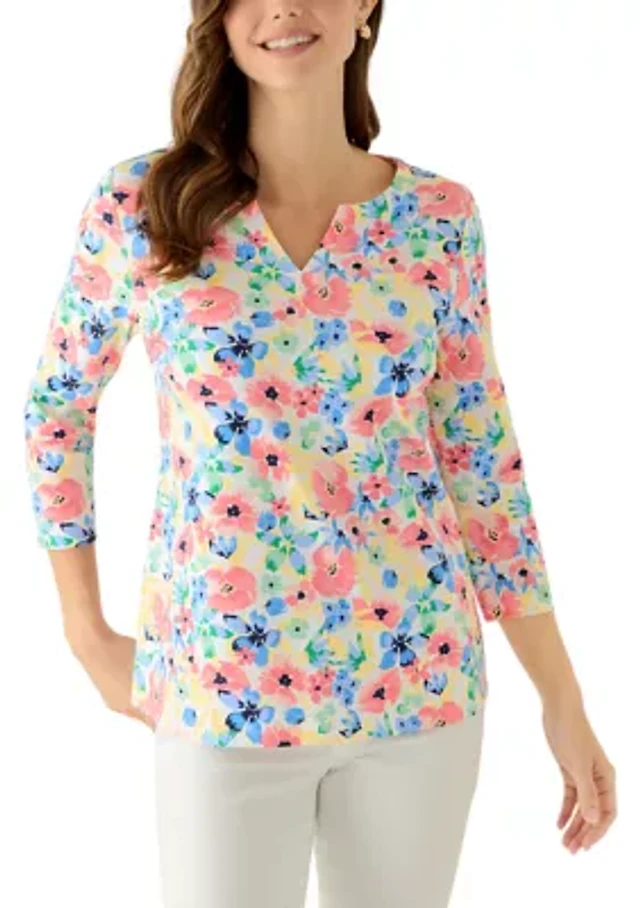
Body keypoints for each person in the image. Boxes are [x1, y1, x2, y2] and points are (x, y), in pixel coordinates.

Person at [23, 1, 617, 906]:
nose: (284, 7)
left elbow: (482, 461)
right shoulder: (141, 205)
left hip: (418, 687)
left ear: (366, 5)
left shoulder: (438, 220)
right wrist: (83, 630)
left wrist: (562, 698)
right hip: (220, 692)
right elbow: (58, 408)